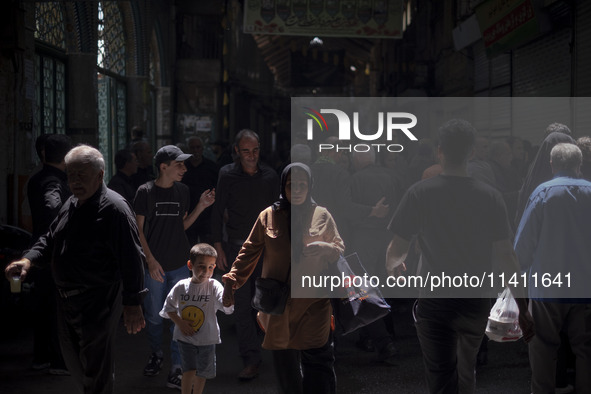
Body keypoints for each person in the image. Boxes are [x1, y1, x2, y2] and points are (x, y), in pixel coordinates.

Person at [385, 119, 534, 394]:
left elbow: (397, 247)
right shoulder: (490, 197)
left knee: (440, 373)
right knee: (467, 368)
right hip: (475, 301)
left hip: (435, 300)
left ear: (439, 151)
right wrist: (523, 307)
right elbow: (506, 255)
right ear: (472, 153)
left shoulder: (419, 193)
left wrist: (394, 266)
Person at [5, 144, 147, 394]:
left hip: (98, 300)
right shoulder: (72, 202)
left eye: (82, 174)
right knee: (77, 365)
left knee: (96, 370)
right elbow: (50, 238)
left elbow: (132, 259)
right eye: (71, 175)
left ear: (100, 174)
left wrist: (133, 303)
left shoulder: (115, 209)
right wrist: (27, 260)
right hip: (66, 300)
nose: (74, 181)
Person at [222, 162, 343, 393]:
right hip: (278, 305)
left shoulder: (322, 215)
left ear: (309, 187)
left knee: (318, 362)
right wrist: (232, 281)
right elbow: (249, 250)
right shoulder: (268, 216)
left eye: (301, 185)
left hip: (314, 302)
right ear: (283, 187)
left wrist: (325, 248)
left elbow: (338, 248)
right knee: (286, 367)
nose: (296, 190)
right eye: (290, 185)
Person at [134, 145, 215, 389]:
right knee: (155, 318)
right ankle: (157, 353)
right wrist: (149, 259)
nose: (184, 168)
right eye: (179, 164)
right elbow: (138, 230)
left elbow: (182, 226)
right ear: (163, 167)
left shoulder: (183, 191)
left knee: (180, 317)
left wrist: (201, 205)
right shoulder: (145, 192)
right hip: (155, 266)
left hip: (180, 263)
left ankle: (177, 366)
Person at [514, 143, 591, 394]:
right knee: (586, 349)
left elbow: (523, 247)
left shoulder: (542, 193)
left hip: (548, 286)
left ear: (551, 165)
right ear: (579, 164)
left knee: (543, 348)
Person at [211, 129, 279, 380]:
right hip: (237, 248)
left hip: (267, 249)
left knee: (270, 304)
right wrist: (218, 246)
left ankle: (281, 355)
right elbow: (218, 211)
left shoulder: (271, 176)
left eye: (255, 150)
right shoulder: (227, 174)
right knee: (241, 307)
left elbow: (279, 213)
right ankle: (251, 359)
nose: (251, 156)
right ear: (237, 152)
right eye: (246, 151)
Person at [26, 133, 72, 374]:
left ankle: (41, 356)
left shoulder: (37, 178)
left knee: (43, 305)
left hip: (39, 249)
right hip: (54, 253)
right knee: (57, 307)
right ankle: (57, 360)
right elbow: (52, 204)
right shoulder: (55, 182)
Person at [160, 243, 234, 394]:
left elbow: (226, 307)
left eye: (211, 267)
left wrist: (228, 299)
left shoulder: (214, 285)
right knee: (188, 370)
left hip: (207, 338)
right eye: (201, 266)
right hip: (185, 338)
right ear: (190, 265)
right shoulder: (181, 286)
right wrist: (180, 323)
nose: (206, 271)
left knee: (203, 372)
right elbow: (168, 308)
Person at [181, 136, 219, 245]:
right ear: (188, 150)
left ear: (202, 149)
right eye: (192, 148)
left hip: (207, 216)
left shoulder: (212, 167)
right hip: (188, 213)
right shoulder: (183, 168)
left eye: (198, 147)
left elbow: (218, 190)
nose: (195, 150)